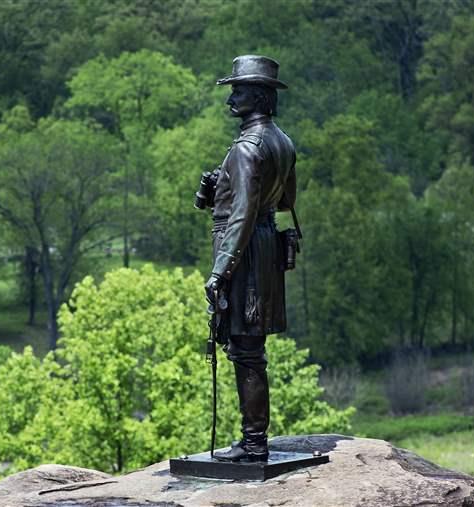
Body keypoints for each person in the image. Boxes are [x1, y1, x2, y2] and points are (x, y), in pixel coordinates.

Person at [204, 55, 296, 462]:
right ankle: (254, 439)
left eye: (237, 92)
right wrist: (217, 188)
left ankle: (254, 442)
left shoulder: (247, 148)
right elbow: (286, 200)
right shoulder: (283, 142)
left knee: (246, 350)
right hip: (265, 246)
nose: (231, 100)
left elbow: (241, 213)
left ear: (258, 97)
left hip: (243, 252)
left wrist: (220, 270)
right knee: (250, 348)